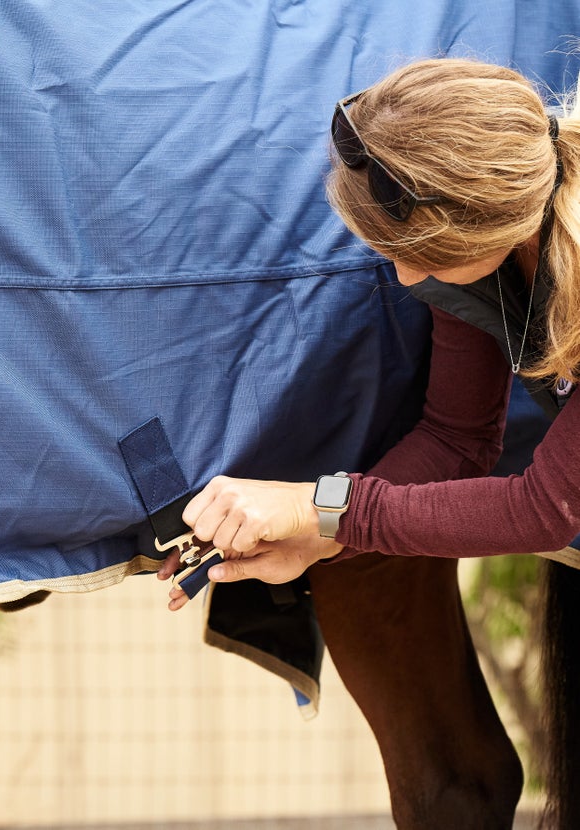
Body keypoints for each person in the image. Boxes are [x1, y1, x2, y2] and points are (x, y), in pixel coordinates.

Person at [156, 58, 580, 828]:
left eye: (409, 253)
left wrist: (321, 511)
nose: (400, 274)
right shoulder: (480, 252)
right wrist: (317, 538)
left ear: (469, 221)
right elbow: (455, 442)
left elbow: (548, 506)